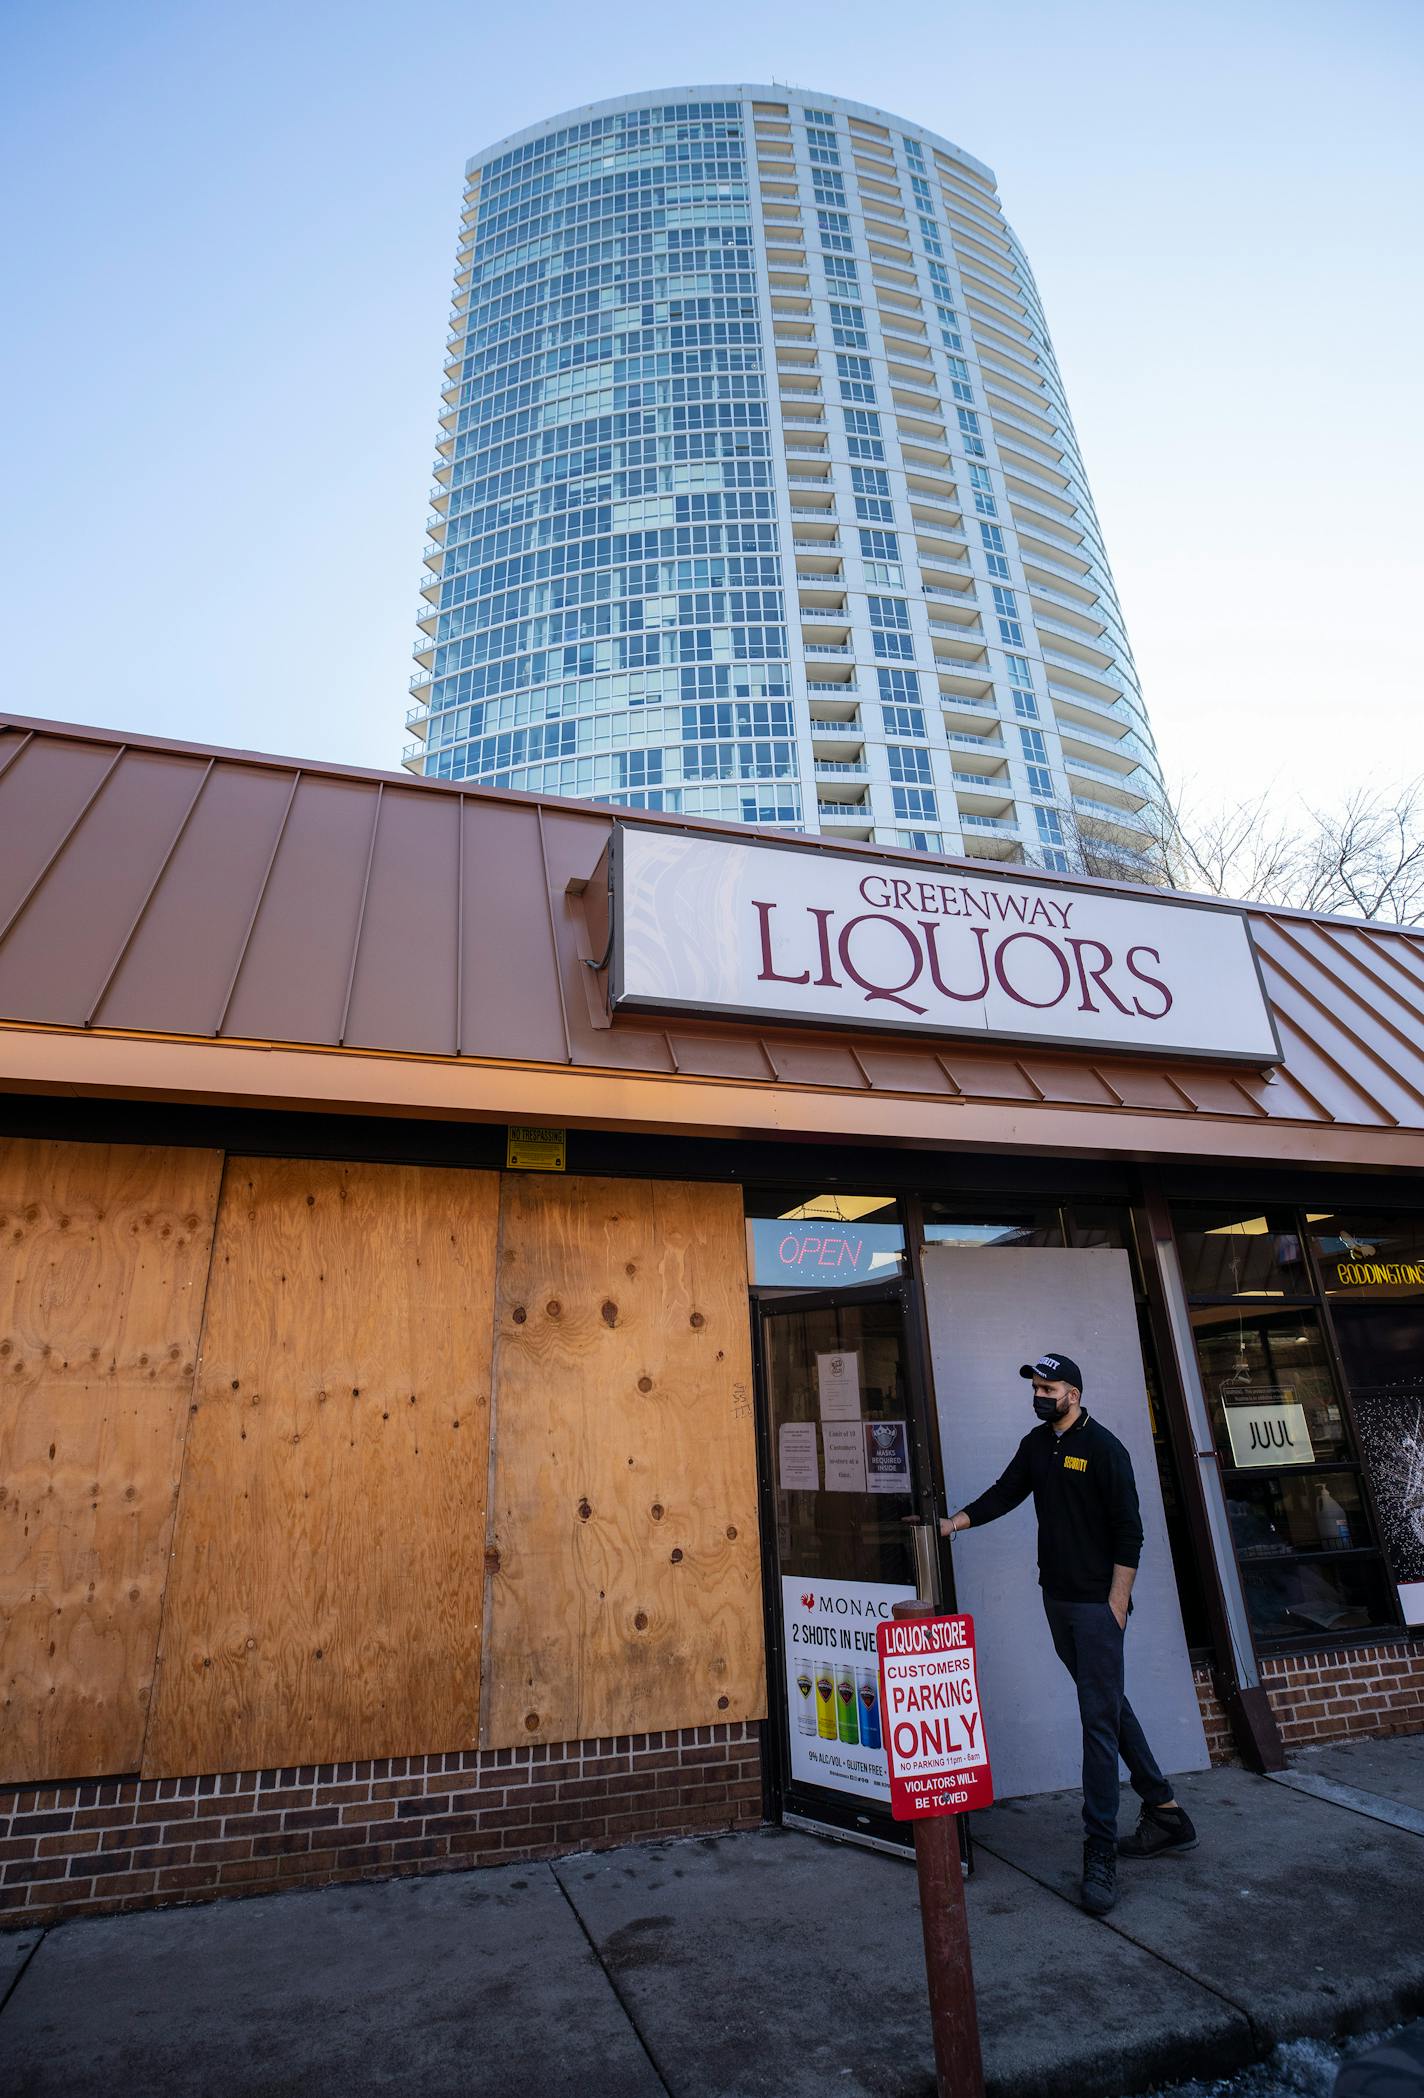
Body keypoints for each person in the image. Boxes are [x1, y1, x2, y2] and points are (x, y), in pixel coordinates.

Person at [938, 1350, 1197, 1916]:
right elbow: (1006, 1492)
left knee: (1097, 1724)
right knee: (1108, 1706)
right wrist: (955, 1523)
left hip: (1096, 1608)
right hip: (1056, 1599)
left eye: (1047, 1388)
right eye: (1034, 1386)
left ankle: (1099, 1851)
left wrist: (1117, 1603)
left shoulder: (1105, 1449)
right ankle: (1166, 1811)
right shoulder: (1038, 1446)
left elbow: (1130, 1530)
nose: (1038, 1395)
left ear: (1072, 1394)